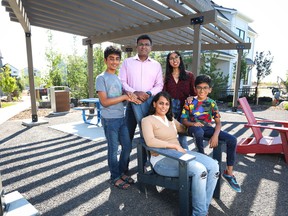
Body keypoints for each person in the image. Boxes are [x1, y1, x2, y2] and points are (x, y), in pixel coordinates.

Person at [141, 91, 219, 216]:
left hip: (179, 154)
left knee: (214, 166)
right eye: (161, 103)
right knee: (200, 170)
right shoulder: (147, 120)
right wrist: (173, 145)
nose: (164, 106)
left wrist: (199, 124)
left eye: (167, 104)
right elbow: (150, 141)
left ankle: (202, 209)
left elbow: (184, 128)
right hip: (161, 159)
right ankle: (200, 213)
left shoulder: (170, 119)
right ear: (154, 104)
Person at [181, 75, 241, 193]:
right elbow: (184, 120)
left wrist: (215, 135)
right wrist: (193, 124)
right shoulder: (189, 102)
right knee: (198, 132)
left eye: (205, 88)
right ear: (195, 88)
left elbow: (218, 123)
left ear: (210, 90)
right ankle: (202, 157)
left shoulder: (212, 103)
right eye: (199, 87)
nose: (202, 90)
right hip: (193, 127)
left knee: (232, 139)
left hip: (208, 128)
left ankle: (229, 173)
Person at [95, 46, 140, 189]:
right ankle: (114, 177)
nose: (114, 62)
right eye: (111, 59)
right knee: (113, 149)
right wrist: (124, 96)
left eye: (117, 59)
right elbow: (105, 102)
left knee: (127, 146)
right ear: (105, 60)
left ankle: (121, 172)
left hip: (122, 118)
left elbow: (123, 99)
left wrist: (132, 98)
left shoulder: (118, 78)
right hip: (110, 120)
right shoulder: (101, 78)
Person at [119, 34, 163, 142]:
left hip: (149, 103)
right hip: (132, 102)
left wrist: (148, 93)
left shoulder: (156, 65)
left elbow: (159, 85)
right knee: (127, 135)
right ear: (137, 46)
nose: (144, 47)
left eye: (147, 44)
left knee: (148, 135)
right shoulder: (127, 62)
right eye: (141, 44)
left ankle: (147, 158)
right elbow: (121, 81)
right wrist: (135, 92)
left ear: (151, 48)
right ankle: (125, 158)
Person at [163, 51, 196, 150]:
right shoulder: (166, 78)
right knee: (169, 136)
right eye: (171, 58)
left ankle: (187, 160)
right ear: (168, 62)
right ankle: (171, 159)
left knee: (182, 138)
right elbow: (163, 94)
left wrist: (192, 97)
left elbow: (194, 94)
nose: (174, 60)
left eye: (176, 57)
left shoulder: (189, 76)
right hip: (170, 109)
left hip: (184, 110)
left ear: (180, 58)